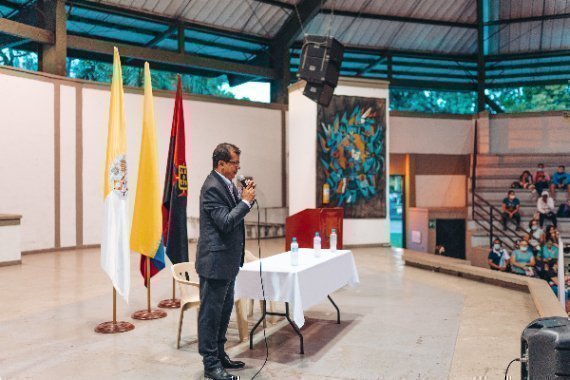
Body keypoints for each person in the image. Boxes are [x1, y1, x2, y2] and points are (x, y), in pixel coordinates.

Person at [195, 143, 256, 380]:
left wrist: (244, 199)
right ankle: (210, 365)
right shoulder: (211, 187)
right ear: (221, 164)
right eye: (234, 163)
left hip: (228, 261)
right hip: (214, 261)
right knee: (211, 315)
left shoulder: (227, 185)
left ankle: (220, 355)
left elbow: (233, 216)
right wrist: (245, 203)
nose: (238, 168)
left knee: (223, 312)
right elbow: (226, 222)